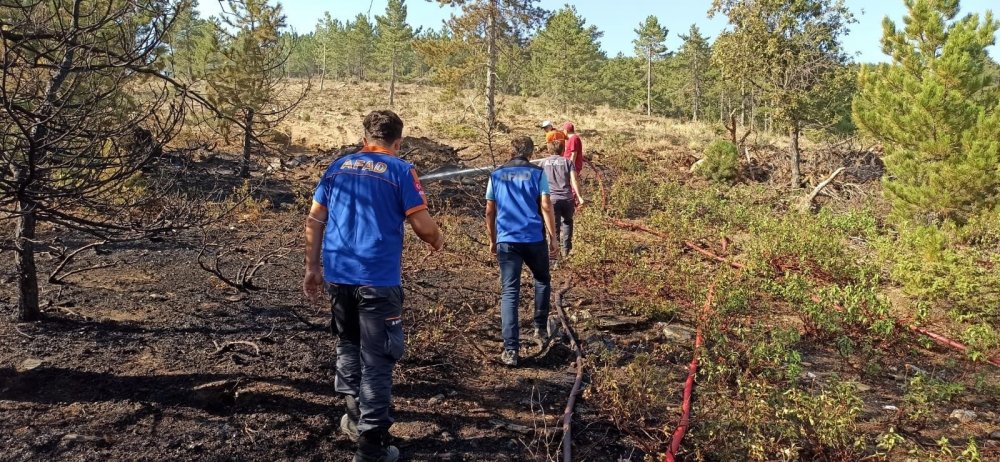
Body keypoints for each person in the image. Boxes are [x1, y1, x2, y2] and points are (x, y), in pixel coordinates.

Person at [303, 110, 444, 462]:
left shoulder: (337, 168)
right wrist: (437, 239)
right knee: (378, 360)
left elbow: (315, 218)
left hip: (339, 277)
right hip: (377, 281)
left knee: (349, 350)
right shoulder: (400, 170)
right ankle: (372, 447)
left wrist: (311, 267)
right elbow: (424, 227)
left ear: (365, 136)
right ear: (398, 141)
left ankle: (354, 421)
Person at [485, 136, 558, 367]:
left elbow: (490, 210)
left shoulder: (496, 174)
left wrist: (492, 239)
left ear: (511, 150)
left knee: (509, 292)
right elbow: (546, 205)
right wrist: (553, 237)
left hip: (507, 240)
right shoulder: (537, 173)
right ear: (531, 151)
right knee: (542, 280)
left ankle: (510, 350)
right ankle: (539, 328)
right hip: (534, 238)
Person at [540, 141, 585, 257]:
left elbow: (537, 181)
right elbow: (574, 180)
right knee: (568, 222)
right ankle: (566, 250)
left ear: (548, 150)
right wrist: (579, 197)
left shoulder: (543, 163)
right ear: (562, 150)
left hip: (551, 199)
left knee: (553, 227)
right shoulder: (567, 162)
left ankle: (555, 254)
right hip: (567, 198)